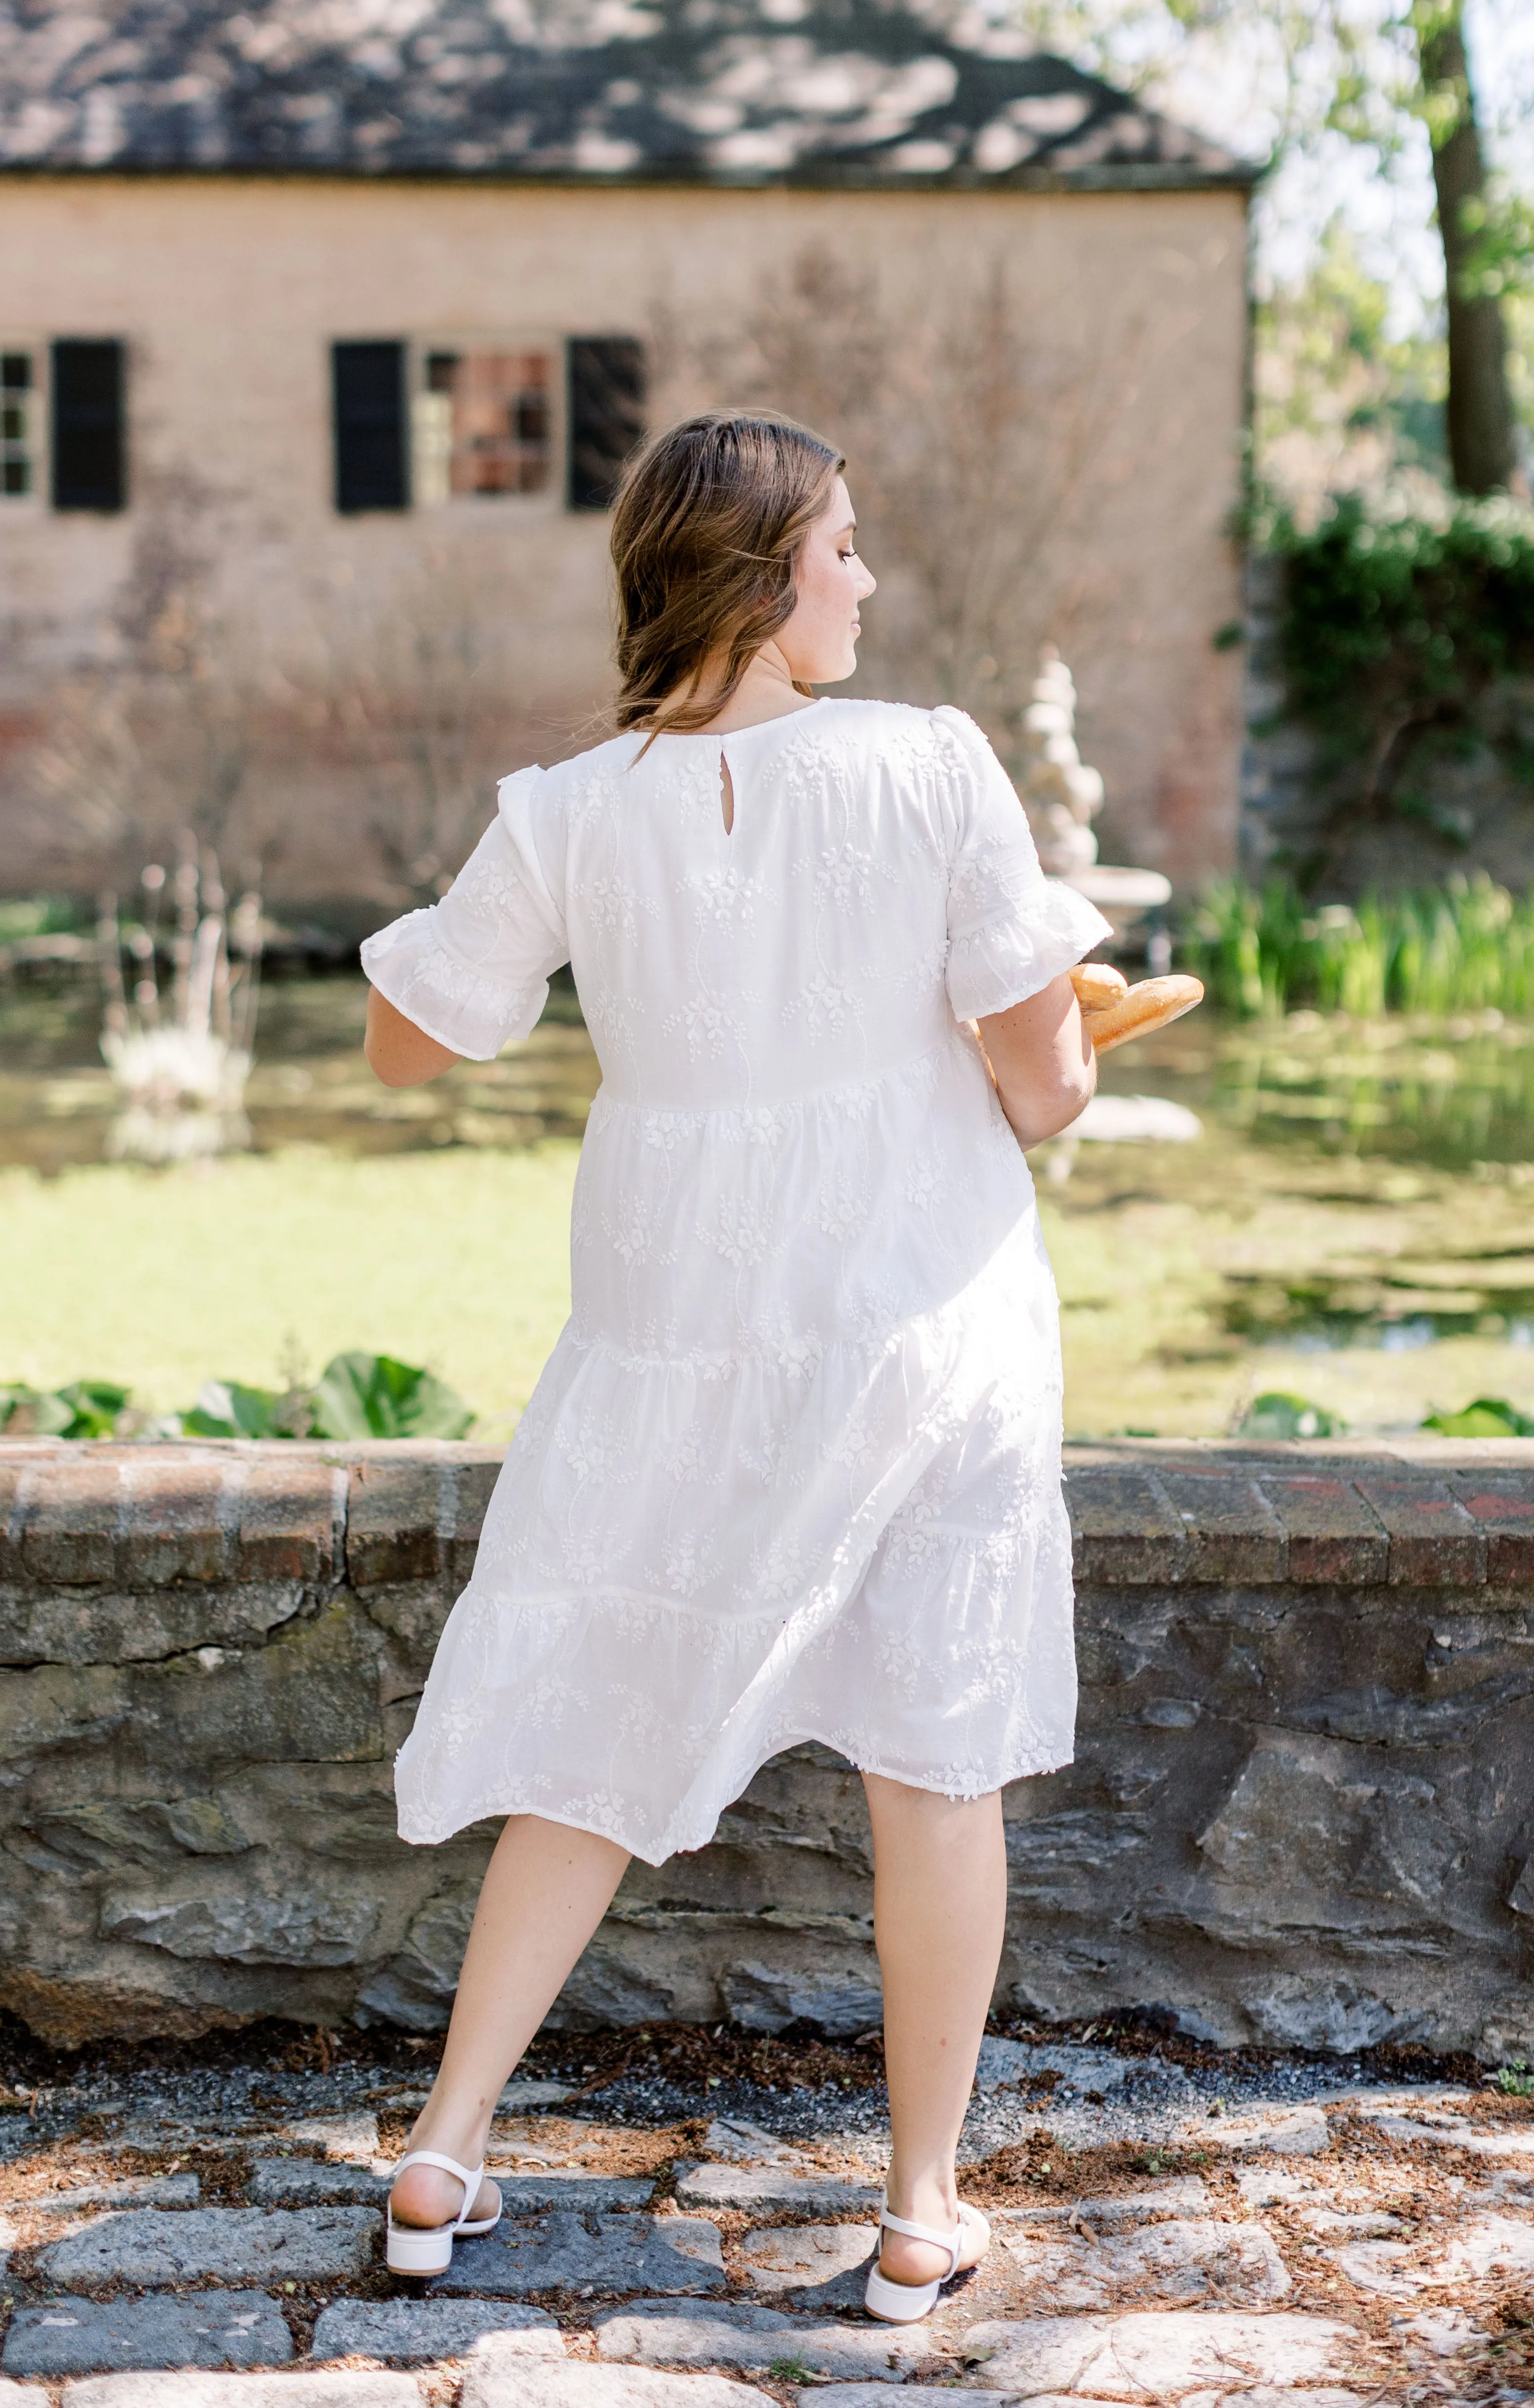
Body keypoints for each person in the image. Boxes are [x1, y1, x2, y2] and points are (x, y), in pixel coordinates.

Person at [361, 409, 1113, 2323]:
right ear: (766, 576)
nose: (864, 578)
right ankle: (923, 2207)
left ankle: (442, 2150)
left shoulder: (563, 806)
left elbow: (402, 1048)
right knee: (933, 1758)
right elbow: (1039, 1090)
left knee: (590, 1733)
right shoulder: (932, 763)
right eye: (841, 545)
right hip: (914, 1310)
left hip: (669, 1324)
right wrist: (1063, 1040)